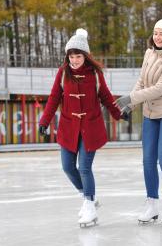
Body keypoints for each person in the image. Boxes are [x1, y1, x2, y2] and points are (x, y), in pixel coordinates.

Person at [38, 28, 126, 227]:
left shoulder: (94, 73)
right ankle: (89, 196)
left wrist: (119, 114)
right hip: (69, 127)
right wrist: (44, 121)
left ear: (85, 56)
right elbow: (53, 98)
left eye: (78, 56)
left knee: (84, 167)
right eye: (71, 56)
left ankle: (89, 205)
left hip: (90, 126)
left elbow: (105, 96)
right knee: (67, 167)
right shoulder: (63, 73)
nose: (74, 60)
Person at [115, 18, 162, 224]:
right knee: (147, 160)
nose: (158, 37)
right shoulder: (149, 53)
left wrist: (131, 98)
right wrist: (131, 104)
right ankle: (152, 205)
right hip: (150, 113)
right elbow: (142, 81)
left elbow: (160, 88)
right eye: (155, 33)